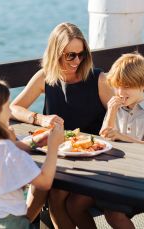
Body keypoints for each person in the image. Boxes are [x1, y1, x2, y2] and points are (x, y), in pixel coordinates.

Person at [10, 22, 113, 229]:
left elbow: (120, 121)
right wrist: (40, 119)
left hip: (93, 159)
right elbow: (14, 107)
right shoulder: (46, 76)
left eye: (81, 54)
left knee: (55, 196)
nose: (77, 61)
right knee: (49, 193)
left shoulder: (99, 79)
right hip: (59, 156)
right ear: (55, 53)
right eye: (70, 55)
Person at [66, 53, 144, 229]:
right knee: (73, 204)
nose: (121, 92)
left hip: (143, 178)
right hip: (113, 176)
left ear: (143, 85)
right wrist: (112, 110)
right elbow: (105, 135)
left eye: (127, 87)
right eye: (118, 87)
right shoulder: (117, 109)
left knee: (113, 213)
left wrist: (122, 137)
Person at [0, 78, 64, 229]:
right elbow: (45, 182)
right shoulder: (7, 150)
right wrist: (53, 146)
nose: (10, 111)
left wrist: (34, 141)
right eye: (7, 106)